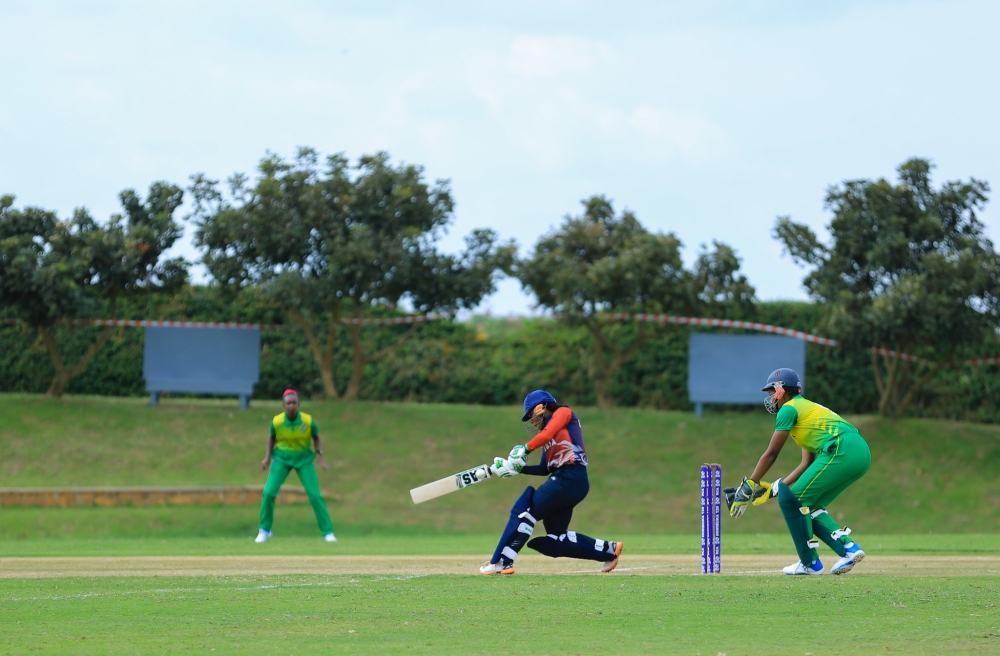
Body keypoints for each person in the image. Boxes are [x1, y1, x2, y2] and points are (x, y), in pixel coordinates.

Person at [728, 368, 870, 575]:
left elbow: (771, 454)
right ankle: (847, 549)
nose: (770, 399)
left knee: (795, 501)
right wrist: (777, 488)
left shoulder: (789, 410)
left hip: (841, 448)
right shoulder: (806, 414)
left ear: (780, 391)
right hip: (860, 452)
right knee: (808, 504)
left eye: (771, 394)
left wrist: (750, 484)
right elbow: (806, 464)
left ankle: (811, 562)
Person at [479, 390, 623, 575]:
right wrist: (515, 469)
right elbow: (544, 468)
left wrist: (525, 448)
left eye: (531, 414)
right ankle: (607, 550)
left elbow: (546, 436)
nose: (531, 420)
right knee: (557, 538)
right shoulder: (547, 436)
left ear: (542, 406)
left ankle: (503, 561)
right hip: (571, 481)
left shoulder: (563, 412)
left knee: (525, 512)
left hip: (568, 477)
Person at [255, 388, 337, 544]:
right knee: (268, 493)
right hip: (282, 459)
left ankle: (328, 532)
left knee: (315, 495)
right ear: (284, 405)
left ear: (298, 404)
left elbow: (316, 437)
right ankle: (264, 530)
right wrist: (267, 458)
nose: (291, 406)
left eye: (294, 403)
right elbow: (271, 437)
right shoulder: (277, 421)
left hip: (304, 460)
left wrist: (318, 455)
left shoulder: (307, 420)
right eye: (288, 403)